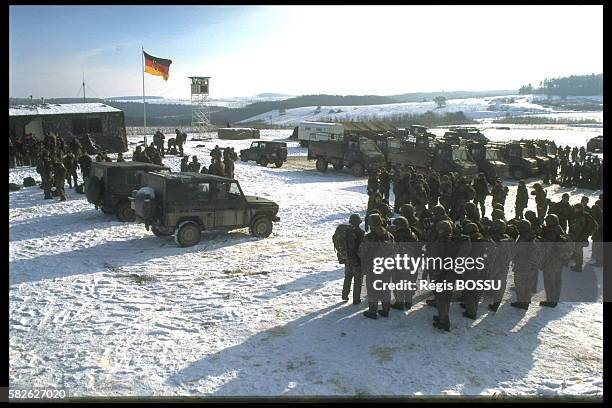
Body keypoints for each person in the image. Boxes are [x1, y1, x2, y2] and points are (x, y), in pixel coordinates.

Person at [360, 213, 394, 320]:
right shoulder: (389, 235)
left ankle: (373, 311)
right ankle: (385, 310)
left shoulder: (369, 237)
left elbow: (361, 252)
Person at [539, 214, 570, 308]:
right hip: (559, 259)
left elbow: (547, 245)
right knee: (557, 280)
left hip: (551, 259)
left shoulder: (551, 231)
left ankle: (550, 300)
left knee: (549, 280)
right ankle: (555, 299)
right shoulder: (559, 228)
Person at [511, 219, 540, 310]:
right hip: (531, 264)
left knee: (520, 284)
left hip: (522, 264)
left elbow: (515, 251)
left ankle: (521, 302)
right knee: (528, 284)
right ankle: (526, 301)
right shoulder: (531, 235)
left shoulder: (522, 238)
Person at [341, 214, 365, 305]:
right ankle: (356, 299)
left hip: (347, 259)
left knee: (347, 277)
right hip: (357, 260)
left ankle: (344, 295)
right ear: (359, 222)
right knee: (358, 280)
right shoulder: (361, 232)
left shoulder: (345, 231)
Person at [568, 203, 597, 272]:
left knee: (578, 251)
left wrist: (586, 235)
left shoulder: (583, 216)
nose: (574, 209)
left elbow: (593, 225)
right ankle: (577, 263)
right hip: (578, 236)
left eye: (576, 208)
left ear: (579, 209)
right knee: (577, 250)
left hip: (580, 237)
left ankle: (578, 267)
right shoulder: (580, 215)